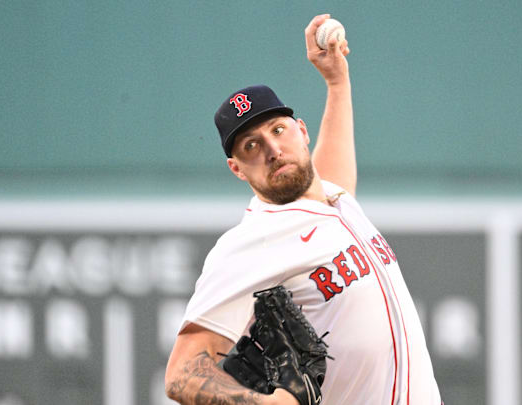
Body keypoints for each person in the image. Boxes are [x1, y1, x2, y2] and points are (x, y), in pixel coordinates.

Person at [165, 14, 442, 405]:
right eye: (251, 146)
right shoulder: (250, 242)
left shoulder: (334, 199)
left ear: (302, 131)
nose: (272, 150)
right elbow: (181, 373)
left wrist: (336, 81)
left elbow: (330, 179)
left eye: (278, 131)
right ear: (237, 169)